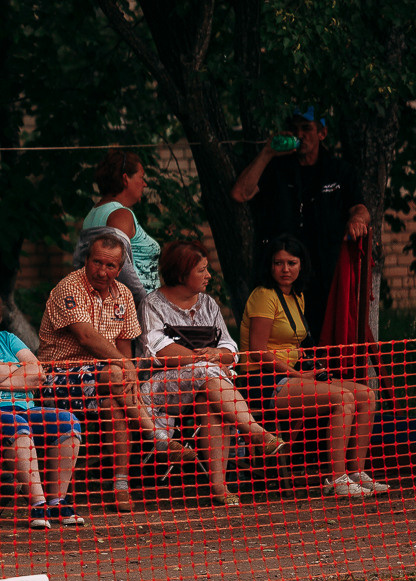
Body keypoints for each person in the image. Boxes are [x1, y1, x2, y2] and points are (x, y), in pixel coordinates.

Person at [37, 232, 188, 513]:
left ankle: (120, 485)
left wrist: (126, 369)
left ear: (120, 269)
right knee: (115, 374)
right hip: (57, 377)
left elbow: (125, 349)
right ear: (86, 259)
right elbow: (85, 336)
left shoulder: (124, 295)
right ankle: (156, 436)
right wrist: (125, 366)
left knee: (114, 402)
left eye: (110, 266)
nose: (102, 271)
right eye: (97, 262)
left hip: (104, 381)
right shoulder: (69, 287)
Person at [140, 241, 287, 506]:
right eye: (202, 270)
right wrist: (209, 358)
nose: (209, 275)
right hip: (163, 389)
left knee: (212, 402)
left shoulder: (208, 303)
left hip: (209, 384)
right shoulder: (153, 303)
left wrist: (218, 356)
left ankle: (219, 488)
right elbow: (160, 349)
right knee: (210, 374)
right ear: (182, 274)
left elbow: (230, 347)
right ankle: (253, 430)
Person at [239, 235, 384, 498]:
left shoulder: (297, 296)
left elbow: (295, 344)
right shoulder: (264, 295)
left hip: (293, 377)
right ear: (269, 266)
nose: (285, 269)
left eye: (291, 263)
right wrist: (299, 373)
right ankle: (337, 478)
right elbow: (257, 352)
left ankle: (356, 473)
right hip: (262, 381)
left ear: (301, 265)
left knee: (368, 395)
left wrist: (310, 370)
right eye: (278, 263)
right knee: (343, 397)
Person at [231, 106, 370, 337]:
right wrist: (267, 152)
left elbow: (360, 208)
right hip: (285, 273)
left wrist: (357, 220)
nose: (300, 135)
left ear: (322, 133)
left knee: (328, 338)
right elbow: (240, 194)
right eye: (295, 129)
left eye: (307, 128)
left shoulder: (339, 170)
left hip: (326, 271)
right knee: (287, 336)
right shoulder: (277, 167)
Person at [0, 331, 84, 530]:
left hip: (26, 408)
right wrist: (17, 370)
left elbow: (37, 375)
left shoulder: (6, 338)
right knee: (16, 424)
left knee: (67, 421)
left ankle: (57, 501)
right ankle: (38, 505)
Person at [78, 150, 160, 302]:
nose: (144, 183)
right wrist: (147, 304)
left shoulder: (93, 213)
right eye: (141, 177)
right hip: (135, 310)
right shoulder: (120, 214)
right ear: (125, 179)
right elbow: (120, 269)